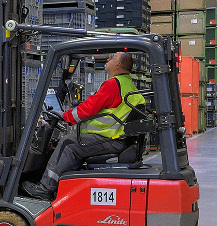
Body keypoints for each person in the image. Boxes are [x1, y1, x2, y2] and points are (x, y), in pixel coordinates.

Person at [22, 51, 145, 201]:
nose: (108, 58)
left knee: (68, 143)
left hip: (110, 139)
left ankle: (45, 188)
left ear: (119, 64)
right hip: (117, 138)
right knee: (74, 143)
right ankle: (63, 187)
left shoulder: (113, 84)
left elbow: (89, 108)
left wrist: (65, 116)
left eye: (112, 57)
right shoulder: (127, 83)